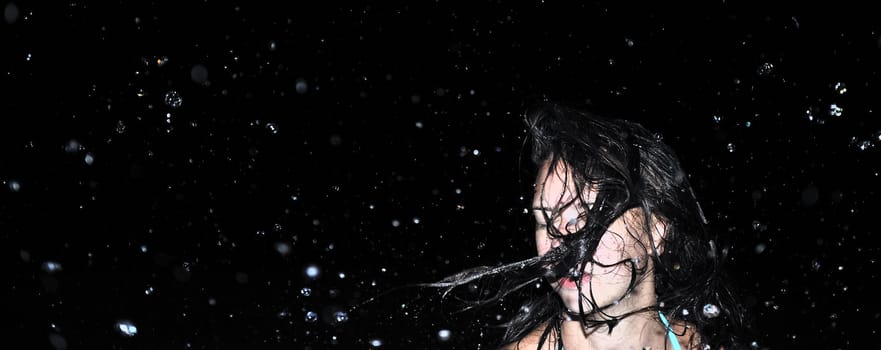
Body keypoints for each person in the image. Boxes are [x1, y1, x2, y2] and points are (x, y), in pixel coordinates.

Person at [430, 102, 749, 349]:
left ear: (656, 231)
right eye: (545, 220)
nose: (560, 240)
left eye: (583, 216)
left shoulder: (694, 341)